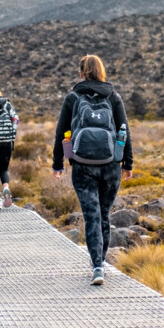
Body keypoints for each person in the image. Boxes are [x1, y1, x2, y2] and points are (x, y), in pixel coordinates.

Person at [52, 55, 133, 285]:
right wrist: (128, 163)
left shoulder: (73, 97)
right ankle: (102, 264)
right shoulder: (113, 96)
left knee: (92, 217)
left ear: (81, 73)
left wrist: (57, 164)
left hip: (82, 166)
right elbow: (124, 131)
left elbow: (61, 133)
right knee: (104, 216)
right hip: (110, 165)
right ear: (101, 71)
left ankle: (97, 265)